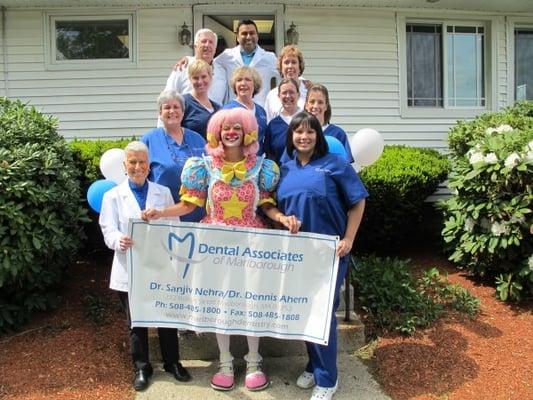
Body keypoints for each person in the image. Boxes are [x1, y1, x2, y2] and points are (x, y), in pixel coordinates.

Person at [142, 108, 300, 392]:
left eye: (236, 127)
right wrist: (160, 212)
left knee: (253, 300)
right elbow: (189, 205)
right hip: (215, 244)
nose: (231, 132)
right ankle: (225, 360)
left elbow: (267, 205)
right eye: (225, 127)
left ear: (247, 131)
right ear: (217, 132)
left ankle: (254, 360)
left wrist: (281, 218)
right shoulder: (203, 166)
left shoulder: (262, 167)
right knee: (220, 302)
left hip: (252, 244)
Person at [275, 112, 367, 400]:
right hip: (297, 254)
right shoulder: (285, 167)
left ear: (318, 135)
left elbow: (358, 201)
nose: (304, 137)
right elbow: (277, 206)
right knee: (304, 310)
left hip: (329, 252)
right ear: (291, 137)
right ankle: (315, 364)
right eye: (298, 132)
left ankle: (328, 379)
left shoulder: (334, 164)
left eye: (310, 132)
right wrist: (284, 219)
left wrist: (350, 238)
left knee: (322, 312)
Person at [99, 141, 191, 391]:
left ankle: (172, 363)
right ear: (124, 165)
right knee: (136, 320)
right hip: (129, 267)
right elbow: (108, 228)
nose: (138, 167)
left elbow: (176, 226)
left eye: (142, 162)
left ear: (149, 166)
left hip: (160, 265)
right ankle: (142, 367)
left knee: (166, 315)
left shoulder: (163, 192)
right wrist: (119, 239)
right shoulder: (112, 196)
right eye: (132, 162)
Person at [175, 20, 278, 106]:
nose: (248, 37)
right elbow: (208, 62)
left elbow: (285, 73)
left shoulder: (269, 58)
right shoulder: (227, 56)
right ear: (237, 37)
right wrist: (190, 60)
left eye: (252, 33)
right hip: (234, 112)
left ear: (257, 36)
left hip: (258, 111)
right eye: (244, 33)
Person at [141, 90, 206, 222]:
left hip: (197, 212)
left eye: (176, 107)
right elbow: (139, 176)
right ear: (160, 113)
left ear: (183, 112)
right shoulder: (149, 139)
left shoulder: (198, 139)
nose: (172, 111)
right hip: (162, 212)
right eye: (167, 107)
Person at [164, 28, 226, 104]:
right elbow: (168, 96)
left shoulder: (222, 72)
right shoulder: (183, 67)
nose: (207, 45)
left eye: (211, 42)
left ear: (215, 48)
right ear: (195, 46)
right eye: (203, 41)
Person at [304, 84, 354, 163]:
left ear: (326, 106)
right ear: (306, 105)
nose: (315, 106)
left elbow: (346, 166)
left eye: (320, 102)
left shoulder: (338, 134)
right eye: (312, 101)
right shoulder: (299, 133)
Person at [223, 66, 267, 154]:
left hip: (258, 162)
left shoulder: (261, 111)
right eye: (239, 80)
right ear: (234, 85)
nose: (243, 83)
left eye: (247, 79)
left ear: (255, 84)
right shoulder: (229, 110)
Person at [264, 45, 309, 122]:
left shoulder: (308, 91)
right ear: (281, 67)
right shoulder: (272, 96)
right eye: (286, 62)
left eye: (294, 62)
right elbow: (268, 123)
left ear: (300, 66)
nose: (290, 66)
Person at [264, 77, 301, 164]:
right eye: (284, 93)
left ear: (298, 95)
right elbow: (269, 156)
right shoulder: (273, 125)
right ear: (279, 96)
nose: (288, 96)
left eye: (291, 92)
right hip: (280, 175)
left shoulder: (308, 121)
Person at [182, 59, 222, 138]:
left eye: (204, 77)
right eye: (195, 78)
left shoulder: (218, 108)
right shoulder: (183, 102)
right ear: (190, 79)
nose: (200, 81)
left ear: (210, 77)